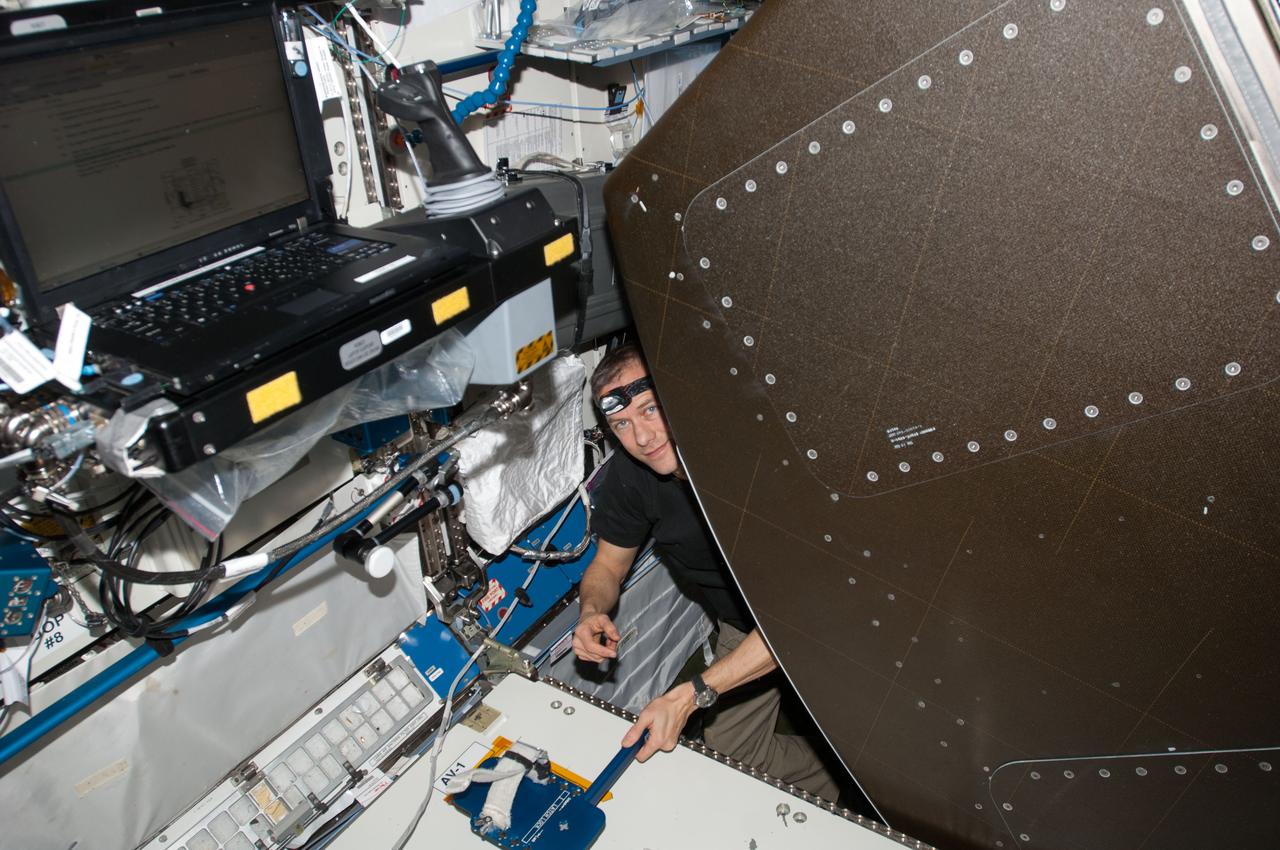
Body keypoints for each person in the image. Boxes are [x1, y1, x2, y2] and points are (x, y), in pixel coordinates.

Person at [572, 342, 839, 800]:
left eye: (651, 409)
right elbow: (607, 564)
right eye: (622, 424)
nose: (643, 436)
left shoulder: (756, 458)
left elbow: (796, 622)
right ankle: (836, 782)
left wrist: (691, 693)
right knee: (734, 745)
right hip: (745, 623)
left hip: (830, 618)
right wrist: (590, 610)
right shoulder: (631, 478)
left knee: (870, 733)